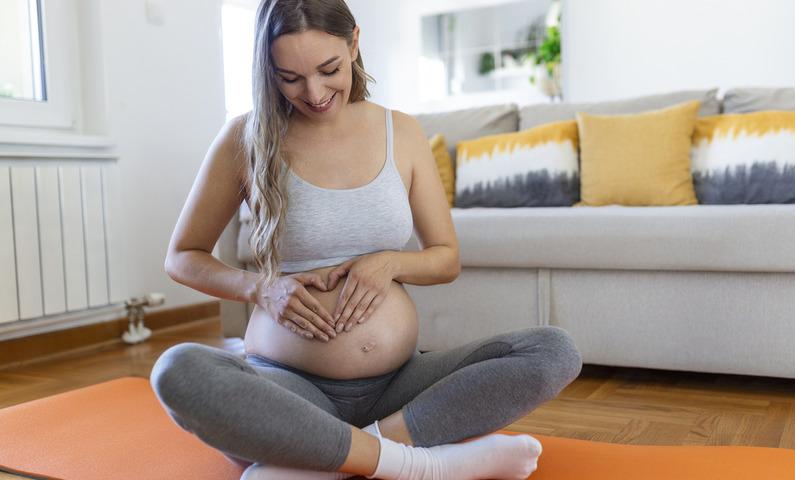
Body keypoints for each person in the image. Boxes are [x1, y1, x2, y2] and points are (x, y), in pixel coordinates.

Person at [149, 1, 583, 479]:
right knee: (177, 370)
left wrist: (391, 263)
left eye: (328, 69)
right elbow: (182, 256)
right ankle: (422, 465)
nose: (313, 93)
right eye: (289, 77)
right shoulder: (245, 138)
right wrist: (260, 287)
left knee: (552, 351)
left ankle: (333, 456)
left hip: (399, 386)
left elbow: (445, 258)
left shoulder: (403, 132)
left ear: (354, 42)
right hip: (288, 384)